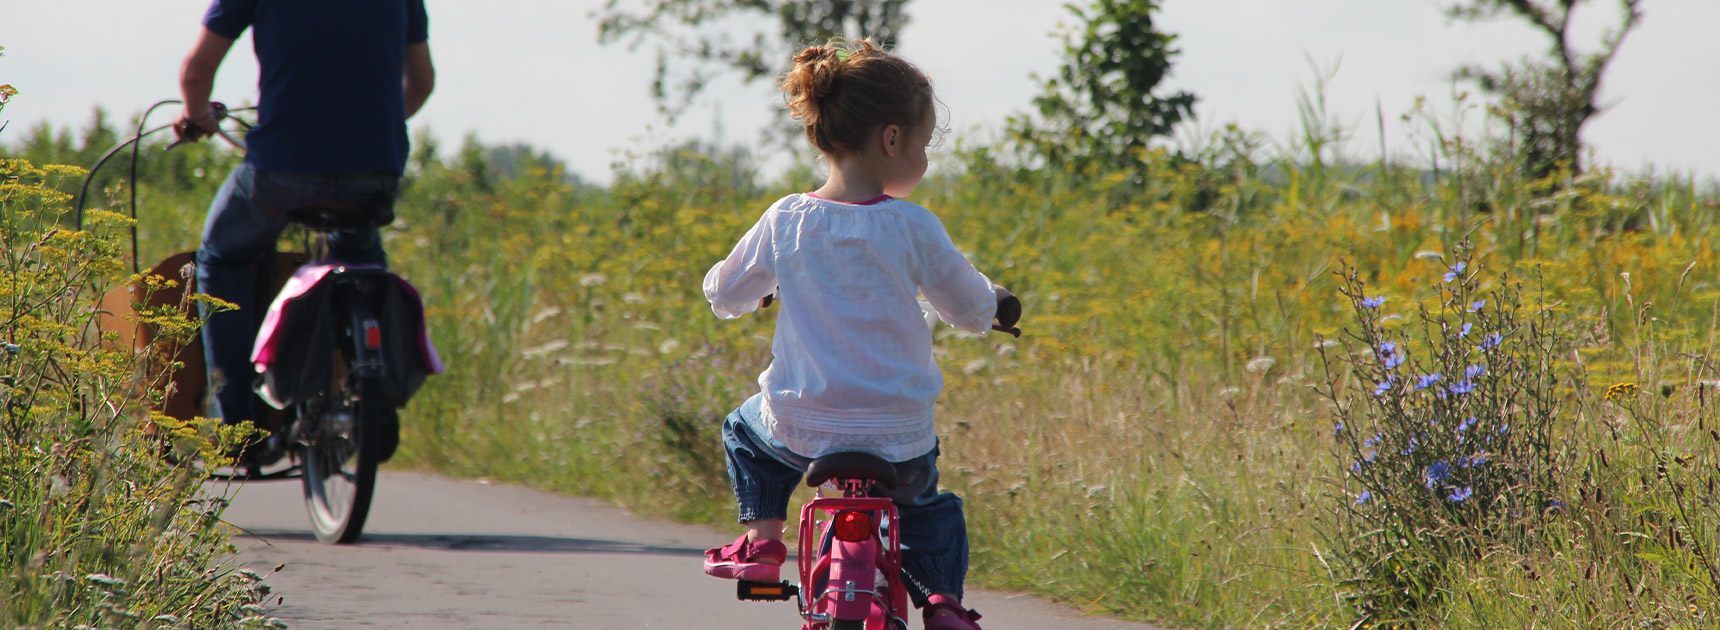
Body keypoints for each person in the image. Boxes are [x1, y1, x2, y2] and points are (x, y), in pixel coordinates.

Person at [701, 38, 1004, 630]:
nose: (922, 157)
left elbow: (724, 293)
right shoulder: (914, 226)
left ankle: (762, 542)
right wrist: (996, 304)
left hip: (799, 426)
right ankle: (941, 600)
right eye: (922, 144)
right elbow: (969, 307)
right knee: (930, 512)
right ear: (892, 140)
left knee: (742, 428)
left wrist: (761, 289)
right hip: (899, 436)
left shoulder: (787, 219)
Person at [172, 0, 435, 444]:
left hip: (281, 171)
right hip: (374, 169)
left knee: (223, 257)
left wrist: (197, 118)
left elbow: (197, 72)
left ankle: (234, 420)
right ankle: (376, 395)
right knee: (361, 258)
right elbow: (421, 84)